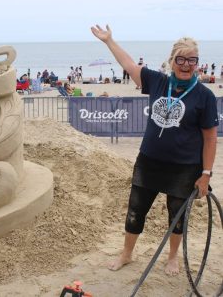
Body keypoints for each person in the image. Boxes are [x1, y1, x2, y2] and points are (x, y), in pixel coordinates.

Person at [91, 24, 218, 276]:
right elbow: (128, 64)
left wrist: (206, 174)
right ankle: (126, 255)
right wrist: (109, 41)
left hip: (184, 167)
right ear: (172, 60)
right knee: (136, 211)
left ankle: (172, 259)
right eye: (180, 59)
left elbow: (211, 138)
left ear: (197, 63)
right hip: (149, 161)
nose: (186, 64)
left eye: (191, 60)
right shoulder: (157, 82)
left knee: (177, 217)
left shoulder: (205, 96)